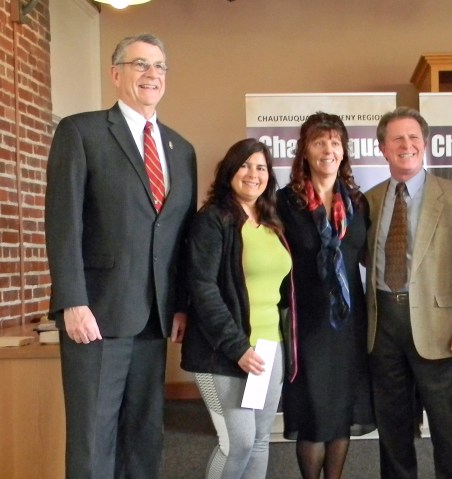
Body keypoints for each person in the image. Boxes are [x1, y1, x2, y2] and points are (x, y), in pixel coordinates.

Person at [45, 33, 197, 478]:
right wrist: (72, 300)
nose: (152, 75)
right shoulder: (82, 132)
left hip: (155, 319)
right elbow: (63, 222)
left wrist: (182, 304)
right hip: (96, 315)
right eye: (140, 65)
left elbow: (180, 234)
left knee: (144, 436)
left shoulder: (181, 149)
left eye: (159, 66)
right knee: (94, 439)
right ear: (116, 74)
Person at [365, 106, 452, 479]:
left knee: (451, 430)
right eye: (397, 138)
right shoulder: (369, 201)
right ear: (382, 147)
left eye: (414, 137)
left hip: (441, 327)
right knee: (393, 430)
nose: (407, 145)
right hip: (383, 326)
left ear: (425, 144)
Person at [181, 138, 294, 479]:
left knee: (260, 440)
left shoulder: (272, 220)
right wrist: (237, 347)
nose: (252, 174)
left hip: (268, 346)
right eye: (244, 165)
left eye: (261, 167)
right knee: (238, 442)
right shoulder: (213, 220)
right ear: (230, 170)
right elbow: (203, 289)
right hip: (224, 351)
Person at [276, 112, 375, 479]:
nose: (327, 149)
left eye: (335, 142)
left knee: (340, 413)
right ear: (304, 151)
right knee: (314, 412)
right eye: (319, 142)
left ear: (344, 151)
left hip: (349, 323)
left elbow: (365, 257)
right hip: (308, 323)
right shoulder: (284, 203)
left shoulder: (357, 203)